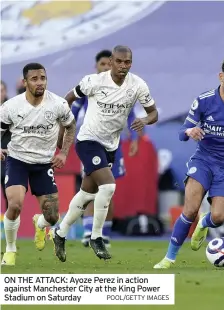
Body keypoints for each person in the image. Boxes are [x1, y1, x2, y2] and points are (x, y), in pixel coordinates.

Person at [154, 57, 224, 269]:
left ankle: (205, 223)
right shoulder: (204, 101)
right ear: (221, 76)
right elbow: (181, 133)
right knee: (190, 209)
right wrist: (189, 130)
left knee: (219, 217)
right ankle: (169, 258)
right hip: (203, 161)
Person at [51, 45, 158, 262]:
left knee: (87, 194)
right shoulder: (94, 81)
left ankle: (60, 232)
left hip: (111, 146)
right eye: (119, 61)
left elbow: (153, 112)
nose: (123, 66)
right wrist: (63, 130)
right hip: (88, 140)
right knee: (108, 186)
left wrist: (144, 120)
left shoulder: (137, 85)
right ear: (111, 61)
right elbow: (68, 99)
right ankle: (97, 237)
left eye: (127, 62)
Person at [0, 63, 76, 266]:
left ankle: (39, 223)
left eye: (42, 78)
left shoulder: (58, 104)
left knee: (52, 217)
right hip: (18, 161)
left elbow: (70, 126)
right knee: (14, 205)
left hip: (44, 164)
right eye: (34, 79)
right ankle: (10, 250)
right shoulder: (11, 106)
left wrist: (64, 153)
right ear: (25, 82)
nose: (40, 82)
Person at [70, 50, 139, 248]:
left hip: (114, 145)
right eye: (102, 64)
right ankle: (89, 232)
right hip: (91, 142)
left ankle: (104, 234)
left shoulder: (125, 88)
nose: (106, 68)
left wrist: (133, 138)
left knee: (109, 190)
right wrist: (66, 133)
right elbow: (74, 109)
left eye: (109, 65)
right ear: (97, 67)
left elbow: (131, 116)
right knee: (91, 188)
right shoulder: (91, 85)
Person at [1, 80, 10, 209]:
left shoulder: (11, 110)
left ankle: (10, 228)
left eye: (2, 90)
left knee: (10, 196)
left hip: (6, 159)